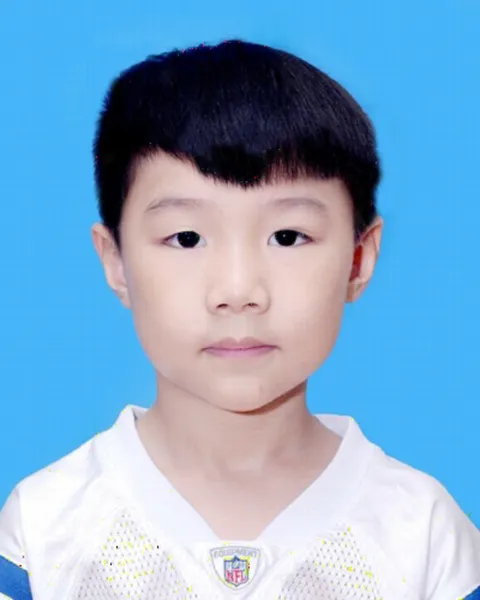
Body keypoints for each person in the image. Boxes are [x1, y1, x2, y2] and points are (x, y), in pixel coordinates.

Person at [0, 39, 478, 600]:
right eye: (186, 238)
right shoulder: (43, 531)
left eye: (288, 236)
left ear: (358, 259)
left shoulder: (422, 534)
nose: (238, 291)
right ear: (116, 262)